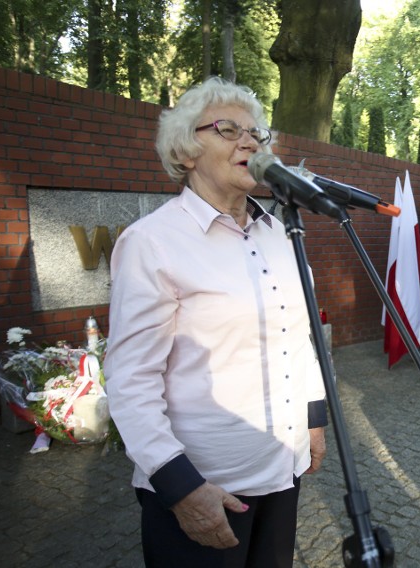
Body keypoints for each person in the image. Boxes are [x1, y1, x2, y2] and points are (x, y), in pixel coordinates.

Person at [104, 77, 327, 568]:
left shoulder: (282, 232)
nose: (251, 141)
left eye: (258, 134)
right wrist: (181, 487)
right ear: (186, 151)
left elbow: (300, 335)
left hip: (281, 468)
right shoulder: (153, 242)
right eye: (228, 129)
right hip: (206, 484)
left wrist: (313, 420)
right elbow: (130, 379)